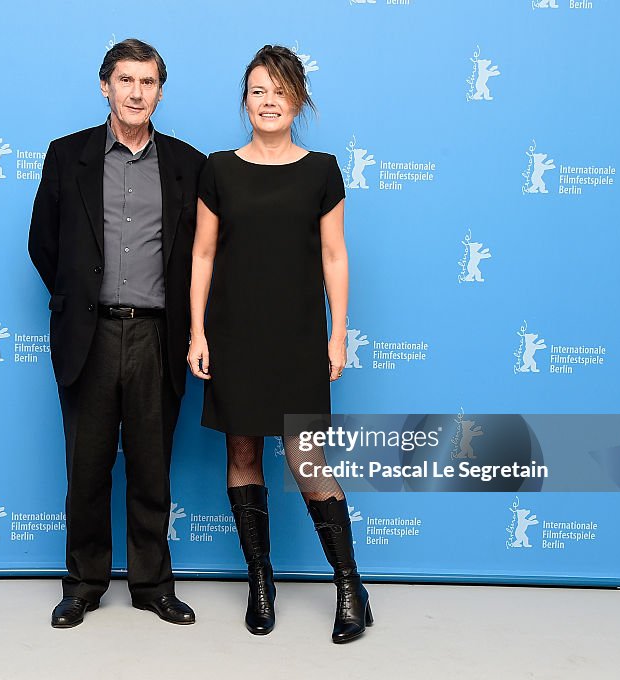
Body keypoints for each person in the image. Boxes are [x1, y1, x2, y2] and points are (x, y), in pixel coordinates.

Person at [187, 45, 372, 643]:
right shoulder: (218, 168)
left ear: (299, 100)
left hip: (297, 337)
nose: (269, 101)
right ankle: (260, 582)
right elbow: (204, 254)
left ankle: (350, 587)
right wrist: (197, 330)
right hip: (235, 333)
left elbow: (335, 255)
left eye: (281, 91)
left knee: (306, 462)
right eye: (258, 90)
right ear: (244, 100)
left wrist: (337, 333)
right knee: (241, 453)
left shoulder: (322, 169)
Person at [28, 38, 206, 629]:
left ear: (160, 91)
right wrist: (80, 296)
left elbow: (204, 254)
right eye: (125, 80)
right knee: (88, 466)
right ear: (105, 85)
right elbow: (43, 243)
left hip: (159, 336)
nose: (136, 92)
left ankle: (153, 585)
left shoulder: (188, 164)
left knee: (153, 466)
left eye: (148, 82)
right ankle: (82, 584)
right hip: (91, 335)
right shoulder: (66, 156)